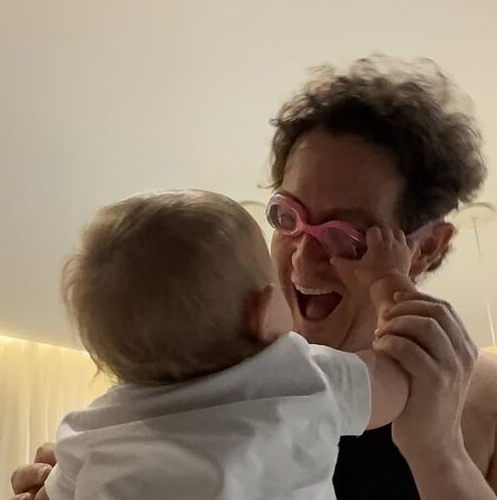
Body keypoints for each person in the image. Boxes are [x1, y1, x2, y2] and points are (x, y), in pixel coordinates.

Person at [10, 57, 497, 500]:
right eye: (288, 217)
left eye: (349, 236)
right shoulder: (195, 371)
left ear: (425, 248)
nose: (303, 262)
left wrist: (439, 452)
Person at [42, 189, 415, 499]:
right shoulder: (301, 375)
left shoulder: (90, 429)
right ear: (265, 313)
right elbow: (399, 378)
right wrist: (388, 281)